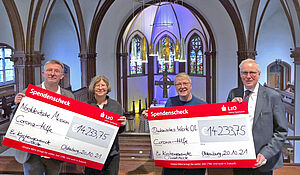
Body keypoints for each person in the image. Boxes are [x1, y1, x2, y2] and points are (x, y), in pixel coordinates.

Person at [227, 58, 288, 175]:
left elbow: (281, 131)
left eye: (252, 73)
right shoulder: (233, 93)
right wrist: (230, 108)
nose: (248, 76)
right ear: (240, 75)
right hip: (240, 159)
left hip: (263, 160)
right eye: (245, 73)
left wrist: (266, 154)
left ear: (259, 74)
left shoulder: (273, 96)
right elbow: (227, 127)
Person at [13, 60, 75, 175]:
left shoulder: (69, 96)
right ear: (43, 73)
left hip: (55, 151)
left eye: (56, 71)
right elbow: (15, 121)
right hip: (31, 152)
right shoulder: (29, 92)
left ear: (62, 75)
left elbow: (72, 123)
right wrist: (17, 106)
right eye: (49, 70)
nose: (52, 73)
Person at [142, 72, 206, 175]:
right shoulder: (170, 102)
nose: (182, 87)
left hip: (194, 154)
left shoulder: (202, 105)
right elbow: (165, 123)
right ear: (175, 87)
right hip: (173, 152)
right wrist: (151, 116)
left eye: (185, 83)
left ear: (191, 85)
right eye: (178, 84)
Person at [84, 75, 126, 175]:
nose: (100, 88)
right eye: (97, 85)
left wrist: (123, 125)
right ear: (93, 88)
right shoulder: (86, 105)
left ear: (107, 88)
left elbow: (119, 130)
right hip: (91, 153)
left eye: (103, 85)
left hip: (112, 153)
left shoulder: (116, 105)